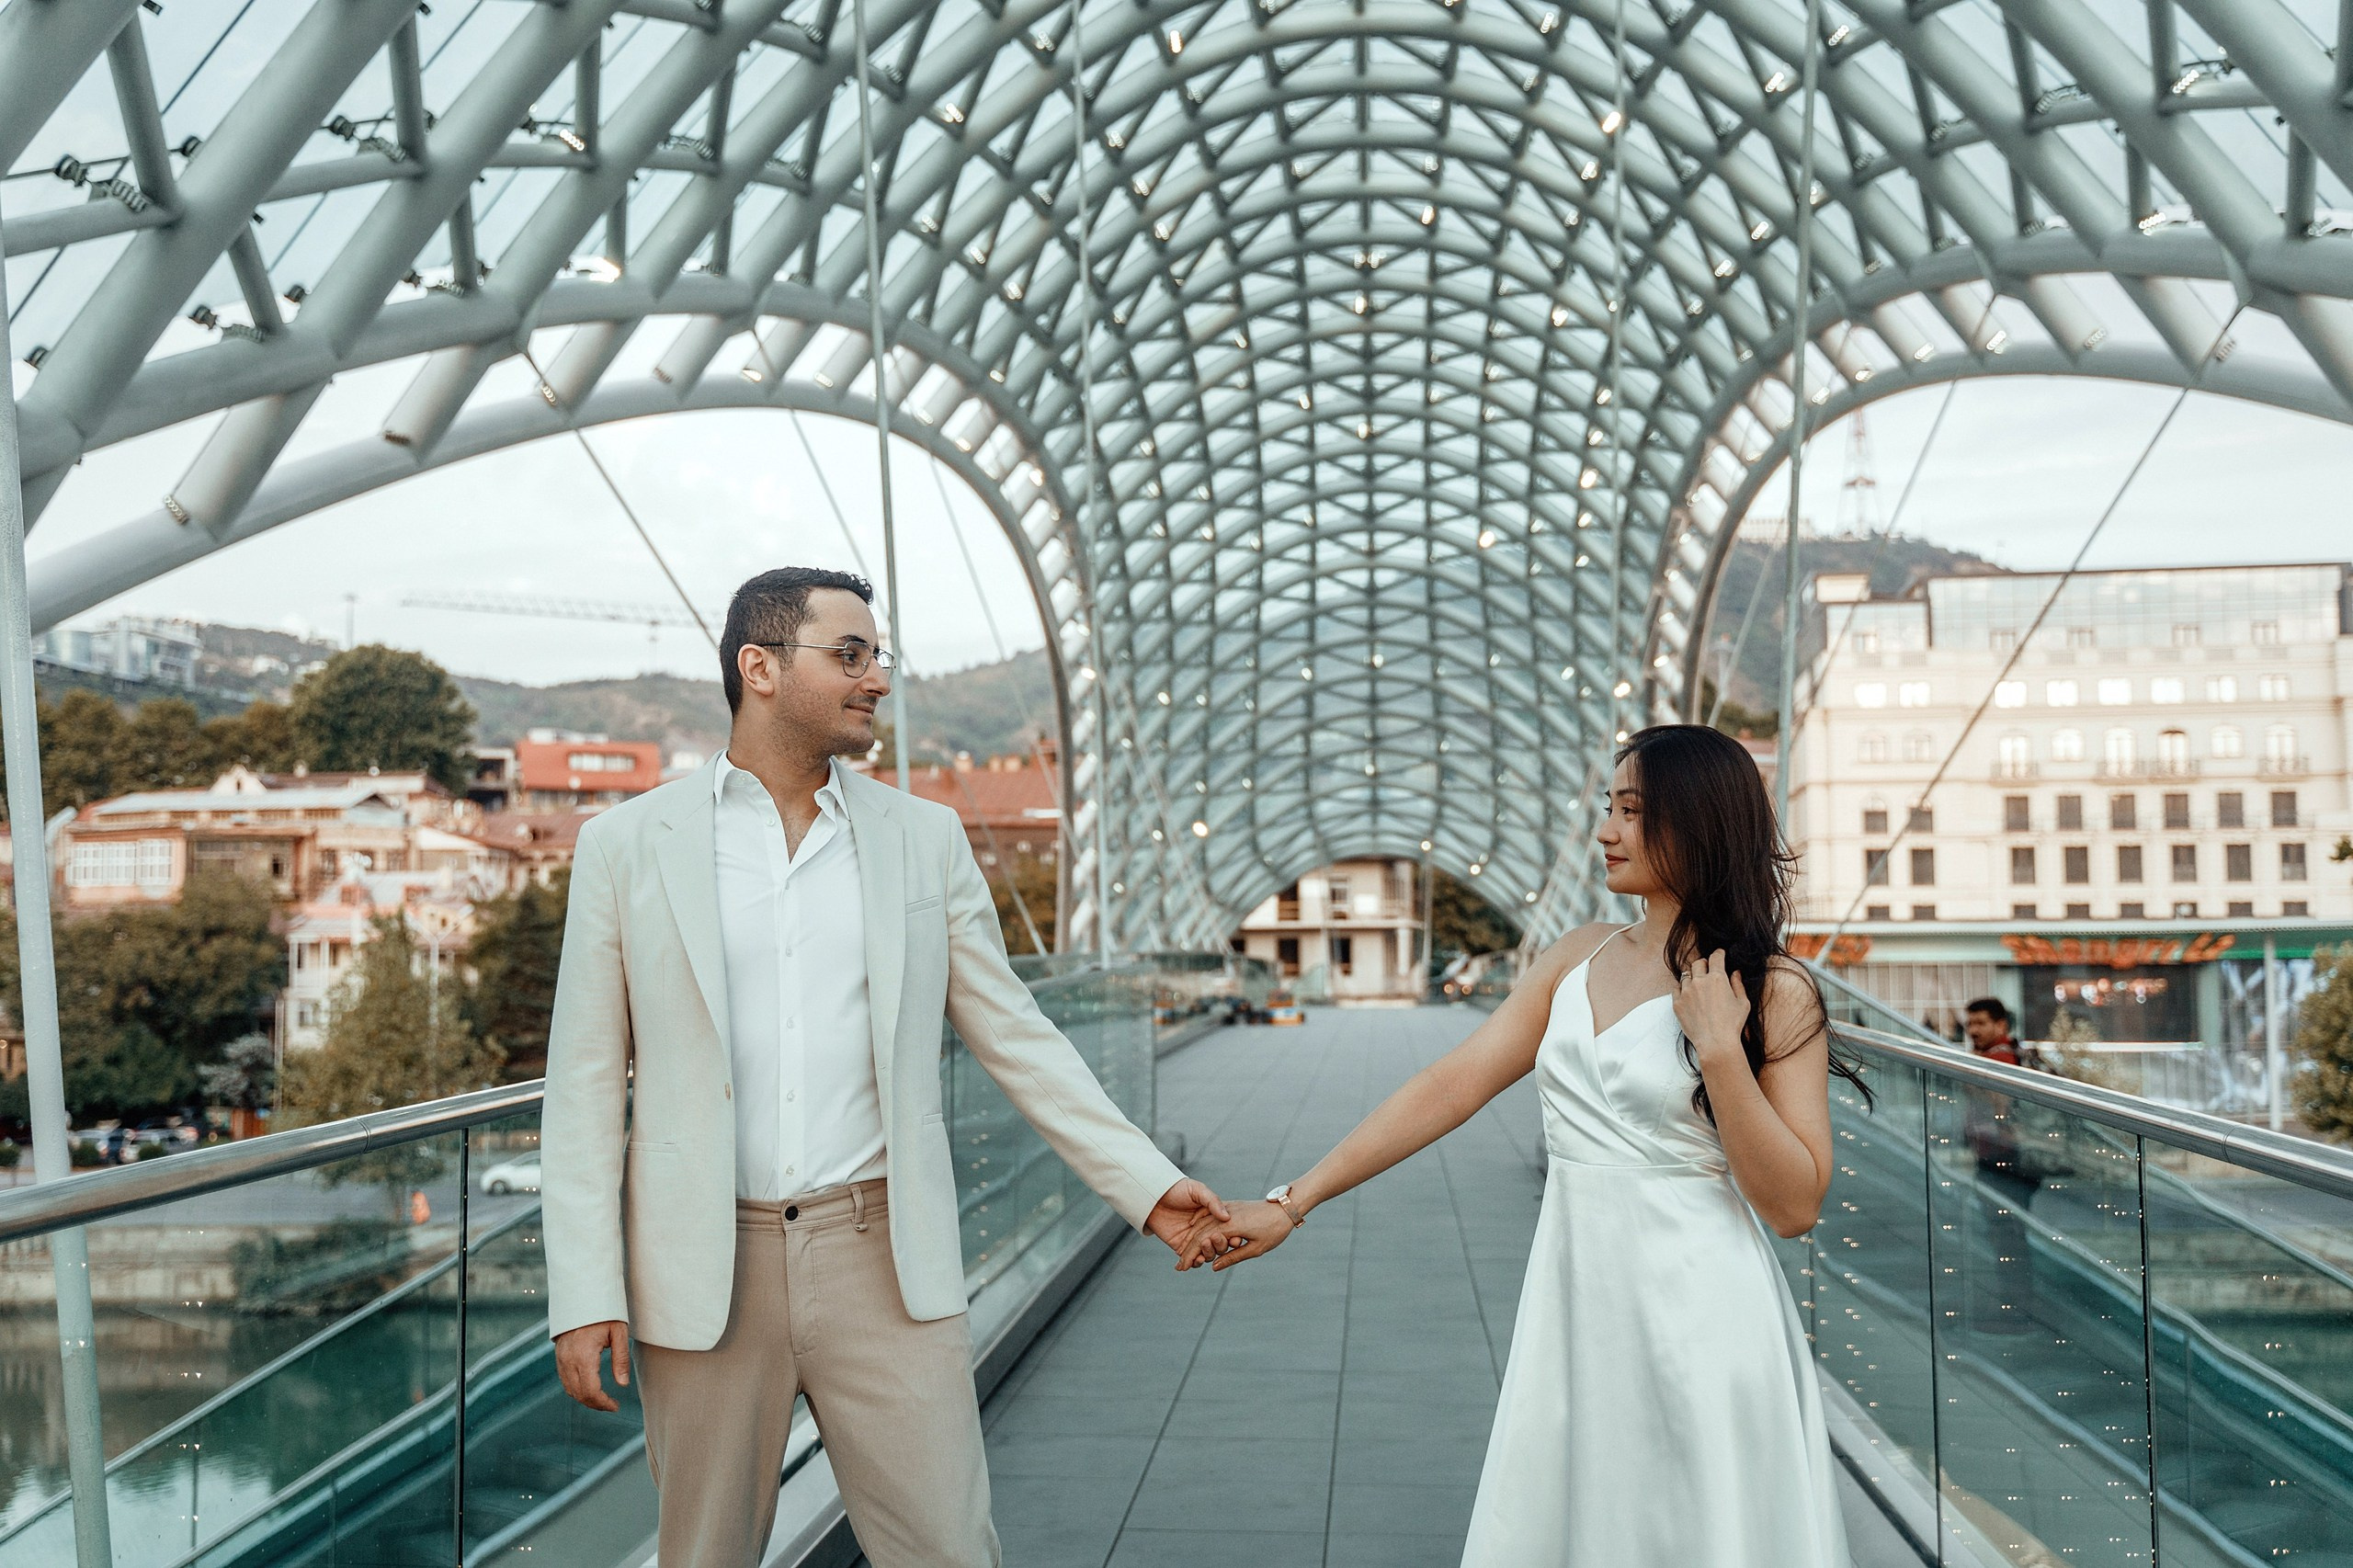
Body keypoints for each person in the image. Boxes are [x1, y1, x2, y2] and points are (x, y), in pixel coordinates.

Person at [539, 567, 1231, 1568]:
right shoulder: (625, 845)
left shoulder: (924, 839)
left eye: (879, 656)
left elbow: (1018, 1035)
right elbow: (586, 1083)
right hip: (703, 1270)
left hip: (885, 1259)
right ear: (760, 667)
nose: (878, 678)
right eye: (851, 654)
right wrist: (584, 1288)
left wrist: (1146, 1185)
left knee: (950, 1549)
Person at [1180, 723, 1863, 1566]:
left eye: (1632, 812)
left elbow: (1795, 1207)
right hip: (1576, 1306)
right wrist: (1293, 1201)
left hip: (1702, 1314)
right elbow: (1452, 1085)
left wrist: (1722, 1053)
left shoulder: (1775, 988)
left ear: (1700, 821)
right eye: (1608, 808)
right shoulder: (1577, 955)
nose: (1605, 831)